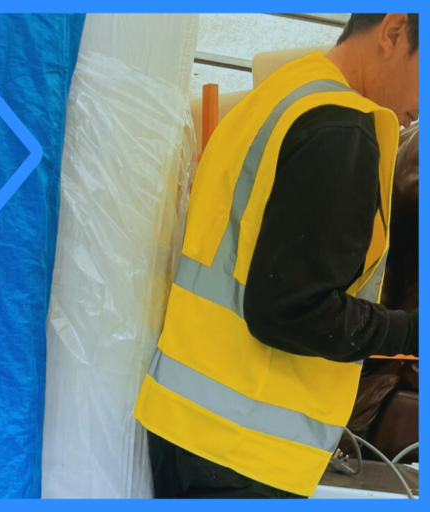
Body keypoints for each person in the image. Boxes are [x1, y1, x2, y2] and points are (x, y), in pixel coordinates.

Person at [134, 13, 419, 499]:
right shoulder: (341, 127)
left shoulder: (276, 98)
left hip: (189, 425)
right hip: (246, 450)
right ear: (393, 32)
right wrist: (411, 330)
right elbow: (294, 309)